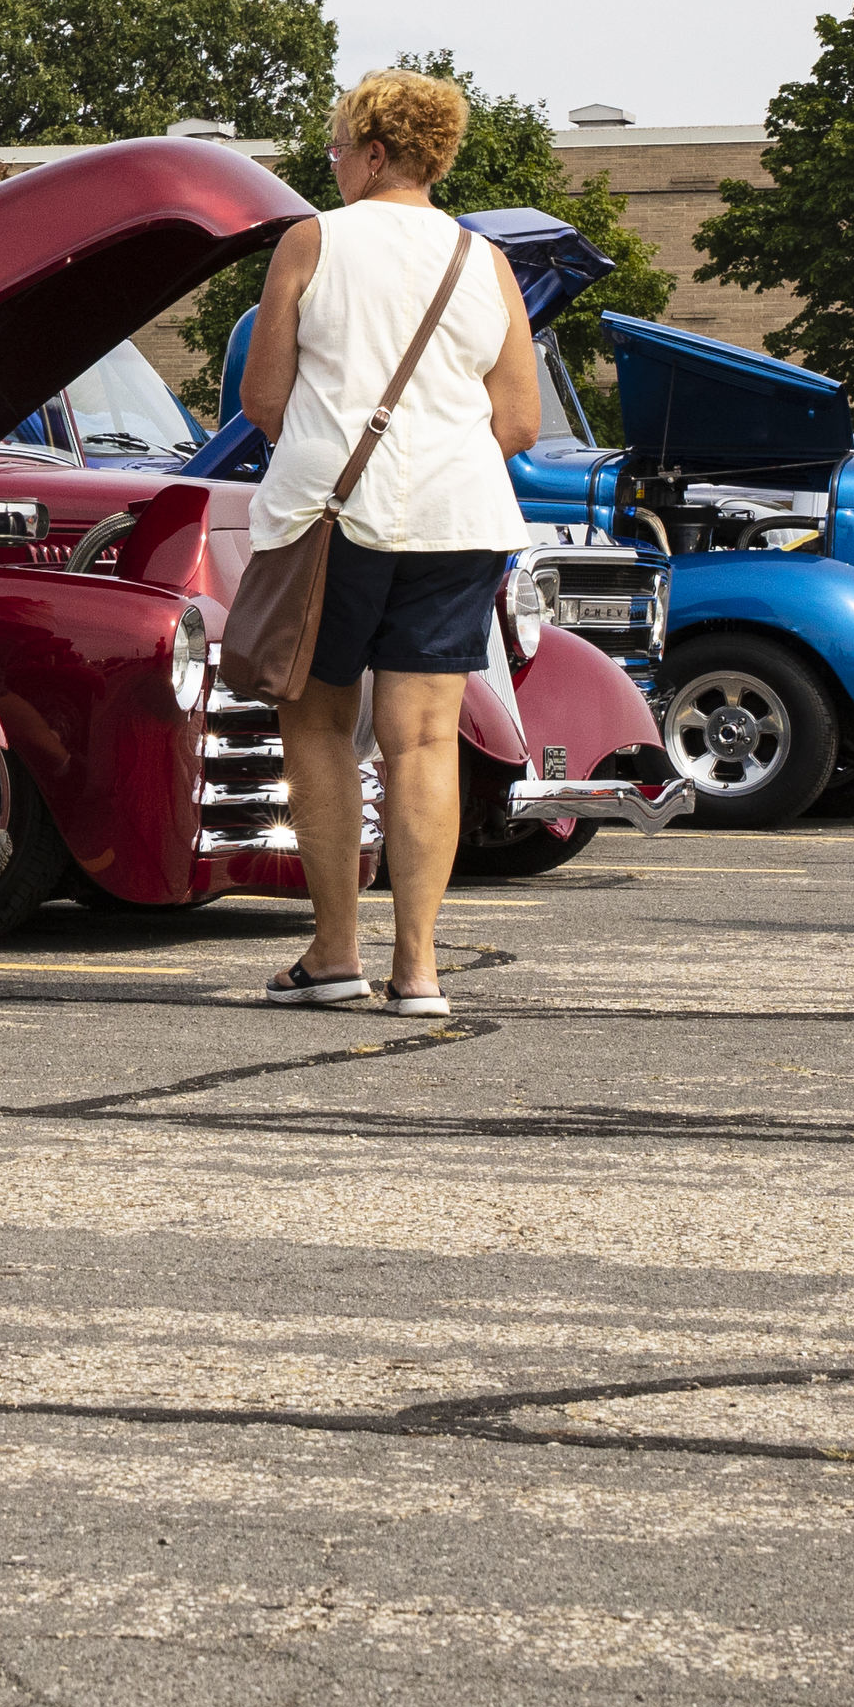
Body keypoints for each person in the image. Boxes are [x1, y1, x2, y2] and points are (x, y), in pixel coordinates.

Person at [233, 67, 540, 1016]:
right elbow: (520, 420)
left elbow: (263, 400)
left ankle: (334, 952)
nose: (332, 166)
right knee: (424, 739)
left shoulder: (311, 242)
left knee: (320, 724)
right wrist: (435, 460)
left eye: (335, 150)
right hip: (461, 521)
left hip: (333, 520)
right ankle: (419, 971)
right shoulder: (483, 261)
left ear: (371, 152)